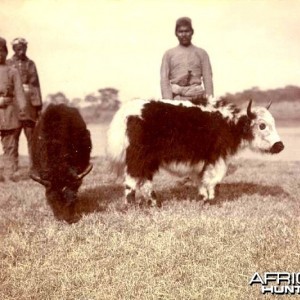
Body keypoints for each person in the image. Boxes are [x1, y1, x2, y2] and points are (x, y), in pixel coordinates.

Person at [160, 17, 214, 104]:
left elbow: (207, 78)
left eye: (187, 31)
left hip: (197, 99)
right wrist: (168, 102)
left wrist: (210, 102)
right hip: (176, 99)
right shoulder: (168, 54)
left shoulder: (201, 53)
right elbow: (164, 79)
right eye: (180, 31)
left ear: (192, 32)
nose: (184, 34)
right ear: (176, 33)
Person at [7, 37, 42, 169]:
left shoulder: (31, 64)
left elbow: (36, 85)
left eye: (24, 48)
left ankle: (34, 167)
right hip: (13, 106)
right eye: (18, 48)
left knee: (31, 137)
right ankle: (12, 167)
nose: (21, 51)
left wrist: (39, 107)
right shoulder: (8, 63)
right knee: (12, 137)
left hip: (30, 105)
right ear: (14, 49)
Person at [0, 37, 26, 182]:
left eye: (2, 51)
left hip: (9, 113)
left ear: (6, 52)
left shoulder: (13, 71)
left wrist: (22, 109)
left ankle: (9, 175)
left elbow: (20, 92)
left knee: (10, 145)